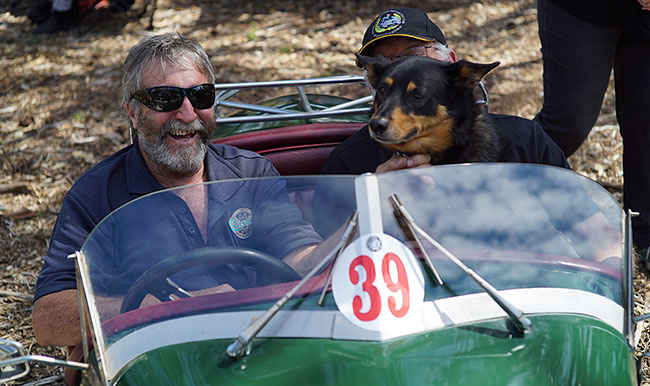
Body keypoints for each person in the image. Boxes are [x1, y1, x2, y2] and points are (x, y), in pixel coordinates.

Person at [31, 33, 323, 348]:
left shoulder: (252, 174)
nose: (187, 114)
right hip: (156, 359)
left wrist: (358, 228)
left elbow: (300, 256)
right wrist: (161, 309)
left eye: (200, 96)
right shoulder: (96, 195)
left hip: (260, 347)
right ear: (133, 111)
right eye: (166, 98)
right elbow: (49, 321)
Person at [320, 7, 570, 175]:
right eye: (383, 64)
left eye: (413, 55)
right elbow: (329, 248)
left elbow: (588, 227)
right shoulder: (348, 163)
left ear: (450, 60)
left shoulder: (524, 141)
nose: (399, 68)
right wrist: (376, 198)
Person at [533, 0, 650, 269]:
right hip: (582, 8)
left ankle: (644, 235)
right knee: (567, 124)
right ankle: (495, 195)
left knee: (646, 124)